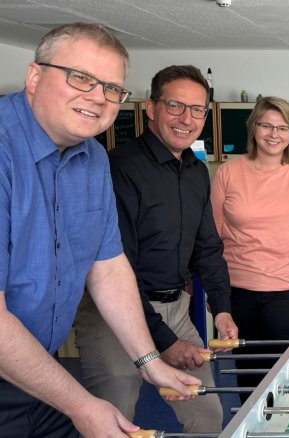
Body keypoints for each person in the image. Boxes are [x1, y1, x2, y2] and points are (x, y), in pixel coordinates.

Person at [0, 23, 196, 438]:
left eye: (111, 87)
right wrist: (81, 404)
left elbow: (107, 265)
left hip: (36, 367)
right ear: (34, 77)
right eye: (81, 78)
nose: (98, 97)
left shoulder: (93, 158)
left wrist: (148, 360)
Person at [73, 65, 238, 434]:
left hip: (175, 310)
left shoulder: (197, 172)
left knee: (207, 412)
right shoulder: (118, 168)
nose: (186, 118)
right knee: (114, 419)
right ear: (151, 107)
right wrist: (164, 343)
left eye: (197, 110)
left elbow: (207, 248)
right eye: (176, 105)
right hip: (114, 314)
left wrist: (223, 308)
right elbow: (119, 268)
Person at [211, 96, 289, 395]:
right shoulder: (228, 173)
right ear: (254, 128)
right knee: (250, 379)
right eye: (267, 125)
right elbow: (213, 236)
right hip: (240, 291)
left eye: (283, 128)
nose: (274, 134)